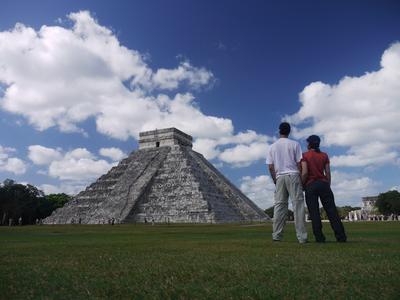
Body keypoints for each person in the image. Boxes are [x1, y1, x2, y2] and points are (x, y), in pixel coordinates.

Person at [266, 122, 308, 243]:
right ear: (289, 131)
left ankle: (277, 235)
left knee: (279, 206)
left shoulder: (272, 147)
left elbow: (270, 167)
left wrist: (275, 180)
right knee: (298, 206)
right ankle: (302, 237)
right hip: (293, 175)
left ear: (279, 131)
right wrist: (300, 178)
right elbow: (299, 163)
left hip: (279, 177)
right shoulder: (295, 144)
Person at [301, 135, 347, 243]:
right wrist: (328, 184)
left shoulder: (304, 155)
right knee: (332, 211)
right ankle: (341, 236)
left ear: (309, 144)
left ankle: (319, 237)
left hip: (310, 185)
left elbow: (305, 172)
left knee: (314, 212)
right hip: (324, 184)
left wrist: (302, 185)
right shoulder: (324, 155)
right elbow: (328, 172)